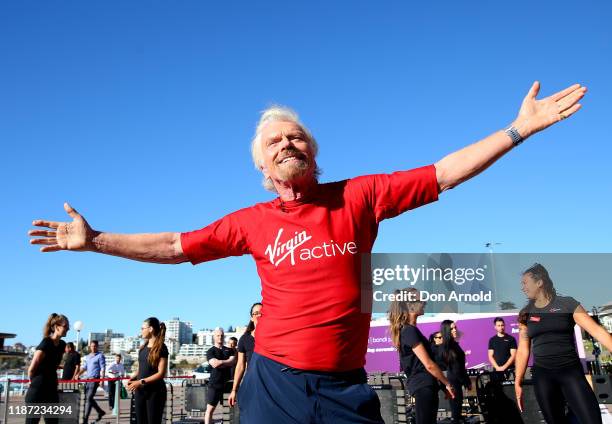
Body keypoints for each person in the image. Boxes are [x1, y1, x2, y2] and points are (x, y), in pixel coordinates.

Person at [29, 82, 586, 423]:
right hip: (273, 385)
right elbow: (176, 246)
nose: (286, 143)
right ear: (262, 169)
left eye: (295, 137)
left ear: (313, 152)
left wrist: (517, 130)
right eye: (274, 142)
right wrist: (95, 240)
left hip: (346, 385)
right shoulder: (251, 222)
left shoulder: (359, 196)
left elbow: (442, 174)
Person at [515, 263, 612, 424]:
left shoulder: (567, 304)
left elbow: (597, 331)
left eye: (525, 282)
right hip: (543, 377)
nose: (522, 288)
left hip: (570, 373)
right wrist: (518, 381)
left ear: (539, 282)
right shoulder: (525, 314)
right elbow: (523, 350)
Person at [389, 289, 454, 424]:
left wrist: (443, 385)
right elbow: (428, 364)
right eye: (420, 300)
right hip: (423, 386)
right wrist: (447, 384)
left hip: (426, 386)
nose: (424, 303)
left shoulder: (410, 330)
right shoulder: (409, 331)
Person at [25, 313, 69, 424]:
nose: (68, 329)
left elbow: (51, 364)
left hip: (52, 390)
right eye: (65, 326)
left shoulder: (62, 345)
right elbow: (32, 368)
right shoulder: (46, 343)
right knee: (32, 422)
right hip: (38, 390)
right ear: (56, 327)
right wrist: (32, 382)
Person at [127, 317, 168, 424]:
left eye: (142, 328)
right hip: (140, 392)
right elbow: (141, 368)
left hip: (155, 392)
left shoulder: (161, 348)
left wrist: (140, 382)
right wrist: (132, 377)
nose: (141, 331)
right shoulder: (143, 347)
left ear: (150, 329)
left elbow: (161, 373)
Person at [437, 320, 471, 424]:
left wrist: (466, 380)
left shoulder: (454, 344)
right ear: (446, 330)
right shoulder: (447, 347)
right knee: (456, 414)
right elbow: (456, 368)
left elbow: (459, 367)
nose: (455, 330)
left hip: (456, 382)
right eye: (451, 328)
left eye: (455, 327)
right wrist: (466, 381)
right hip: (453, 383)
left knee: (457, 413)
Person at [229, 302, 262, 407]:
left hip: (271, 383)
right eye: (256, 313)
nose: (259, 315)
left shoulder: (274, 336)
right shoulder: (245, 339)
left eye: (262, 313)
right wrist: (234, 389)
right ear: (251, 317)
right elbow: (240, 365)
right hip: (252, 384)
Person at [205, 327, 236, 424]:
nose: (220, 337)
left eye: (222, 336)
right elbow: (214, 364)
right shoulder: (210, 351)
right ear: (214, 337)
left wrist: (221, 362)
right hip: (215, 385)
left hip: (228, 385)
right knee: (210, 410)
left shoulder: (229, 350)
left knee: (230, 411)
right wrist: (226, 362)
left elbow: (232, 361)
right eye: (218, 335)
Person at [78, 340, 106, 423]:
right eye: (92, 346)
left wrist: (102, 380)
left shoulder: (100, 356)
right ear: (89, 347)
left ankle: (85, 419)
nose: (93, 347)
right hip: (87, 379)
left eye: (95, 346)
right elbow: (84, 367)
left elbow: (103, 368)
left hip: (95, 379)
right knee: (88, 398)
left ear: (97, 347)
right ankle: (100, 412)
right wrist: (77, 374)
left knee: (89, 398)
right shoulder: (87, 356)